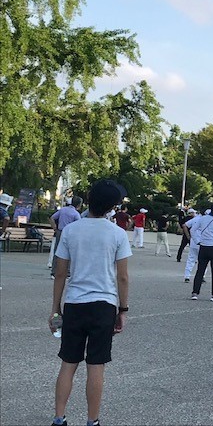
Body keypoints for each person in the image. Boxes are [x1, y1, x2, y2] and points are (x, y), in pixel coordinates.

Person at [49, 179, 130, 426]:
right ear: (110, 207)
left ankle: (59, 417)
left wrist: (55, 310)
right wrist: (122, 309)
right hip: (104, 303)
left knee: (68, 362)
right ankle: (92, 420)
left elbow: (60, 273)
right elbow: (123, 276)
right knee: (96, 364)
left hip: (75, 302)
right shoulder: (117, 233)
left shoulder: (72, 230)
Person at [49, 196, 83, 280]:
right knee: (69, 252)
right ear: (78, 205)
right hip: (70, 234)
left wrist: (55, 228)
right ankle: (67, 273)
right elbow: (79, 225)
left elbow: (52, 217)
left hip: (60, 231)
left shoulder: (63, 210)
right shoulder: (76, 214)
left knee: (57, 251)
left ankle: (54, 272)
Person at [182, 209, 206, 282]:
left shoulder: (196, 219)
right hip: (203, 242)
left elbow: (184, 225)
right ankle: (202, 276)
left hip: (194, 241)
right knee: (204, 260)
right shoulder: (208, 220)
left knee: (191, 259)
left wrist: (188, 236)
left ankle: (187, 276)